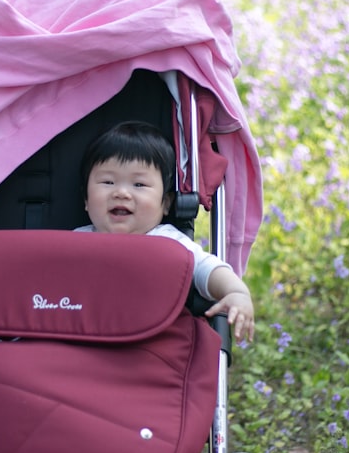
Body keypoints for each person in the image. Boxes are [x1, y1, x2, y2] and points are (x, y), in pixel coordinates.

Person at [75, 121, 254, 340]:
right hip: (83, 336)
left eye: (139, 185)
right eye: (108, 182)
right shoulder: (75, 243)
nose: (121, 192)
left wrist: (235, 292)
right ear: (86, 199)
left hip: (150, 339)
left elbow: (207, 268)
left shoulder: (168, 241)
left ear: (166, 203)